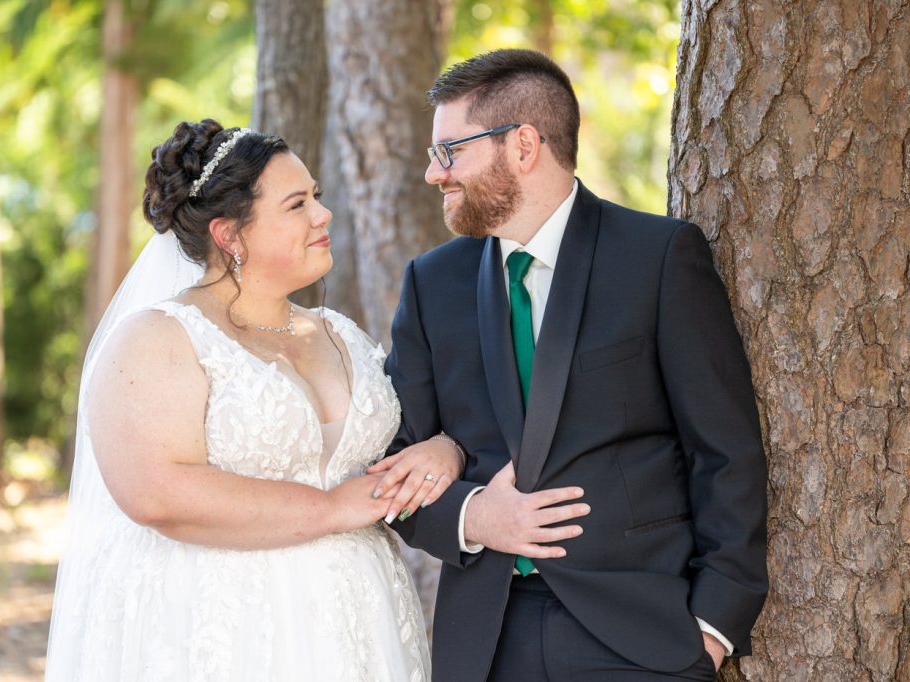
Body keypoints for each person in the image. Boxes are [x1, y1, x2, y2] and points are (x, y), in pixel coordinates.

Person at [384, 49, 768, 681]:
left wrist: (714, 624)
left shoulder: (659, 259)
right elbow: (394, 462)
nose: (434, 174)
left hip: (645, 637)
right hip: (486, 640)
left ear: (524, 145)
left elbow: (724, 449)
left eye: (449, 151)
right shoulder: (433, 284)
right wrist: (473, 514)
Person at [45, 120, 462, 681]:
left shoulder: (341, 335)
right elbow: (155, 494)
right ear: (229, 236)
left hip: (361, 618)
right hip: (223, 622)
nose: (323, 214)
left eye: (316, 195)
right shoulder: (157, 339)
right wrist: (332, 509)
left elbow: (394, 449)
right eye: (297, 204)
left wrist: (445, 451)